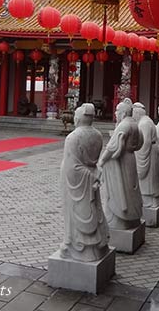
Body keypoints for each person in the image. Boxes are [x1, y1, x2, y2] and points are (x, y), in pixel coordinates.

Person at [58, 103, 109, 262]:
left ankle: (80, 248)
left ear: (79, 118)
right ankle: (97, 246)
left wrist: (87, 175)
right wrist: (93, 174)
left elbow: (72, 167)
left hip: (79, 183)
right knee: (94, 209)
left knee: (78, 212)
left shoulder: (73, 137)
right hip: (91, 177)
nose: (74, 118)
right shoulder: (98, 134)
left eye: (75, 116)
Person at [98, 98, 143, 230]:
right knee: (130, 189)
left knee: (122, 190)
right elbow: (141, 142)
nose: (115, 114)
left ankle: (120, 220)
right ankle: (133, 218)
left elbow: (112, 147)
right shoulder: (134, 124)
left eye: (117, 111)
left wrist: (101, 161)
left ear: (123, 113)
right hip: (130, 158)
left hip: (121, 161)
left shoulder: (124, 125)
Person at [133, 102, 159, 208]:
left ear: (137, 113)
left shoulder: (144, 124)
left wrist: (140, 159)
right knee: (152, 179)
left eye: (133, 114)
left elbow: (145, 144)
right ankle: (153, 200)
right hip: (152, 150)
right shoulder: (147, 120)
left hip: (148, 152)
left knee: (148, 180)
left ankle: (149, 201)